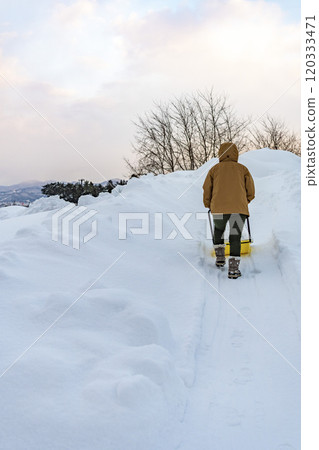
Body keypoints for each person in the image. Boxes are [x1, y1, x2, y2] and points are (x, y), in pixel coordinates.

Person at [203, 142, 255, 279]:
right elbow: (251, 190)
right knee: (235, 236)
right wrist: (245, 201)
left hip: (218, 209)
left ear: (220, 153)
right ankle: (233, 269)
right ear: (236, 153)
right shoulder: (243, 169)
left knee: (219, 230)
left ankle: (220, 258)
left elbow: (207, 189)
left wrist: (208, 204)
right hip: (239, 209)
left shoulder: (214, 170)